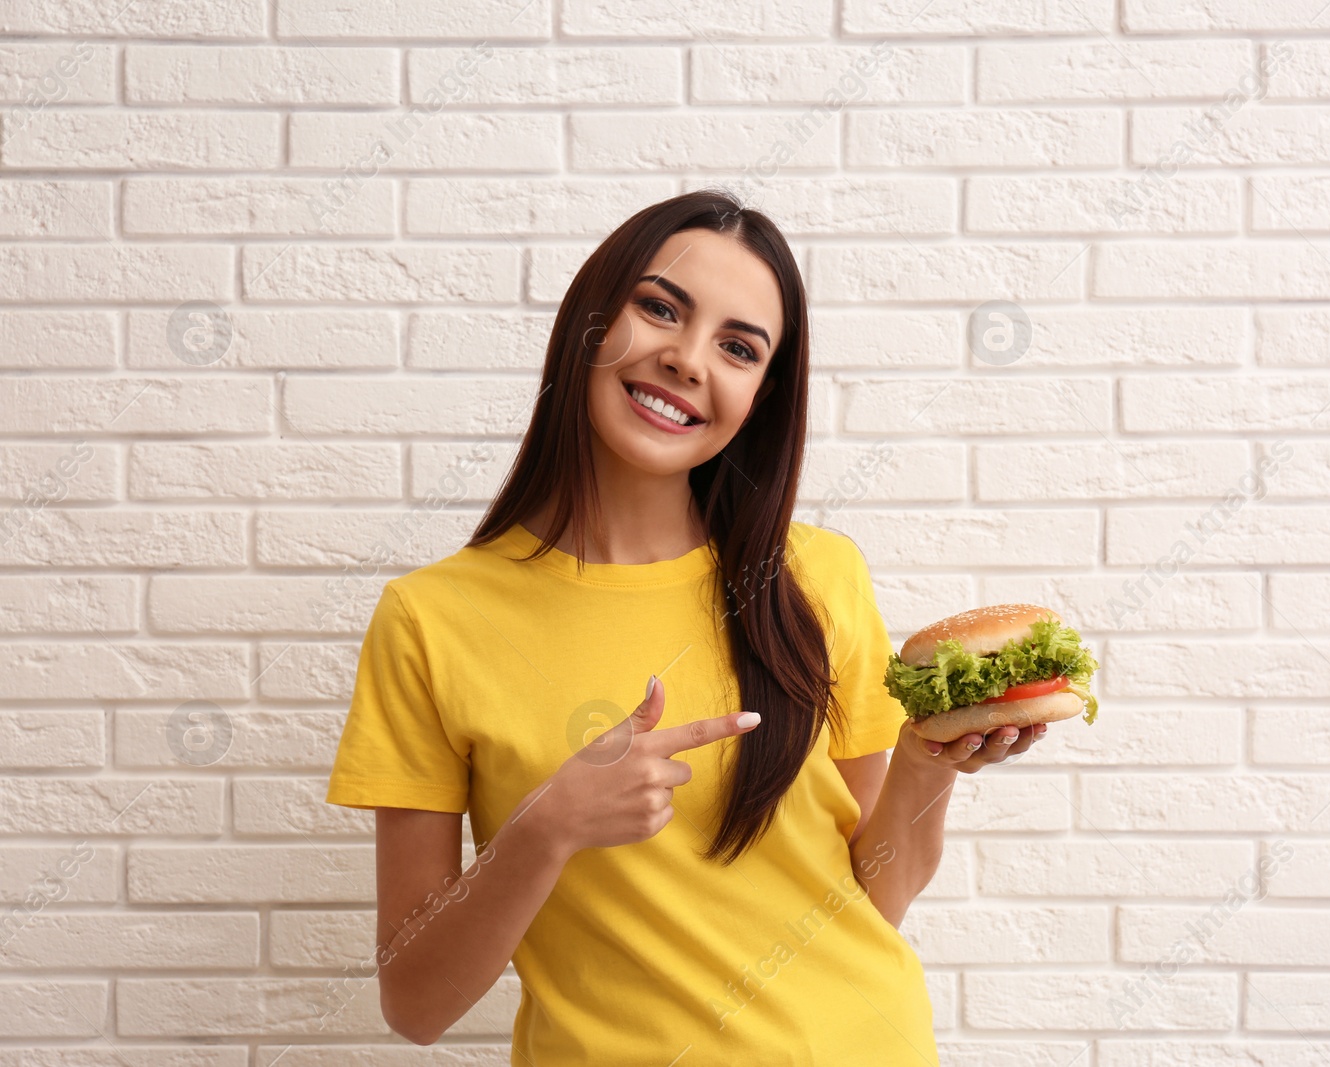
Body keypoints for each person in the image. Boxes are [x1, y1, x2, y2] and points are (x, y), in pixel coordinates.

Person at [324, 189, 1048, 1065]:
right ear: (593, 320)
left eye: (738, 347)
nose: (687, 359)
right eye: (660, 308)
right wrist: (547, 826)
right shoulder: (432, 619)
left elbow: (875, 895)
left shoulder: (817, 577)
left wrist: (929, 760)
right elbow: (414, 1002)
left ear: (760, 394)